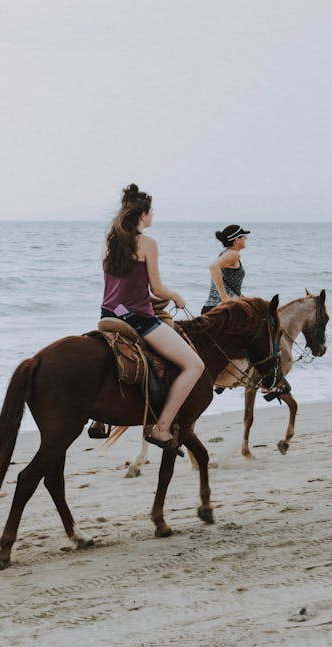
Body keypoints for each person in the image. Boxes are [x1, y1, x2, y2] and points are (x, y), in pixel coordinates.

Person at [101, 184, 204, 449]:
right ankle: (161, 428)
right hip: (137, 319)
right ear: (142, 214)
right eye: (151, 212)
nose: (153, 217)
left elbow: (121, 287)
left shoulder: (109, 242)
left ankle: (99, 419)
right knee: (195, 365)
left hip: (108, 314)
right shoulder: (147, 244)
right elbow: (156, 289)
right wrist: (175, 297)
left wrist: (154, 298)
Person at [201, 224, 250, 314]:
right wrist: (224, 297)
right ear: (237, 240)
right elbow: (213, 267)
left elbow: (229, 282)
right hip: (221, 310)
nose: (246, 239)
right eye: (244, 236)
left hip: (213, 308)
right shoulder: (234, 254)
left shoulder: (226, 253)